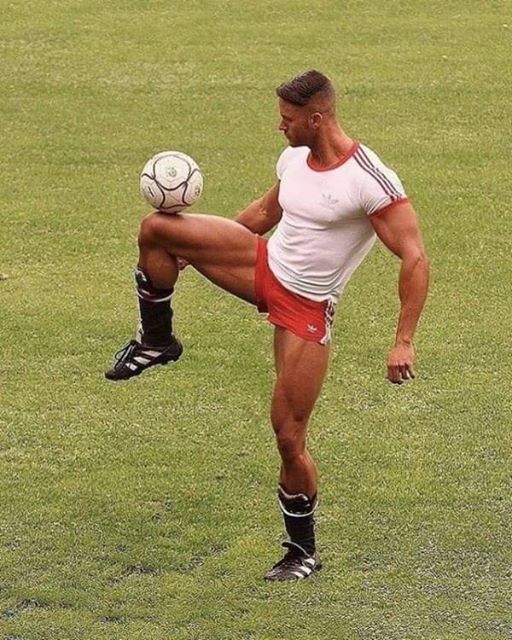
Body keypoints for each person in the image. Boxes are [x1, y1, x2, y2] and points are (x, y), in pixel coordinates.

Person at [105, 70, 430, 581]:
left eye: (287, 119)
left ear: (316, 119)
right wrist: (199, 250)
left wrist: (403, 341)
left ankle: (302, 552)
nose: (280, 127)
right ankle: (157, 339)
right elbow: (263, 212)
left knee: (288, 435)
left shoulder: (368, 179)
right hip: (264, 267)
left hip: (307, 308)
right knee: (158, 230)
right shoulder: (294, 158)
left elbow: (414, 257)